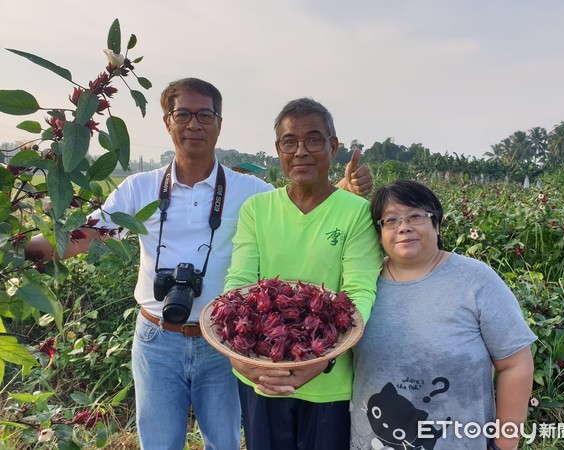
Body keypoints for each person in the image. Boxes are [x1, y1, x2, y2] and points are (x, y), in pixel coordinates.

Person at [25, 79, 374, 450]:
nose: (194, 125)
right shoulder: (138, 189)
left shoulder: (249, 192)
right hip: (156, 338)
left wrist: (346, 190)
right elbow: (86, 236)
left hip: (222, 341)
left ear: (219, 123)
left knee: (223, 442)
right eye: (183, 115)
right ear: (167, 122)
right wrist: (19, 250)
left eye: (205, 115)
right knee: (158, 443)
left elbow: (303, 199)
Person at [223, 97, 382, 450]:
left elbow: (359, 293)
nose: (301, 152)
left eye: (313, 140)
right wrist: (243, 360)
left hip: (330, 383)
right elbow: (240, 284)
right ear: (278, 149)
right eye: (289, 142)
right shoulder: (257, 209)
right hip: (261, 372)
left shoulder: (356, 213)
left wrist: (319, 362)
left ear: (333, 146)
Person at [350, 180, 536, 450]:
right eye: (390, 220)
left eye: (416, 216)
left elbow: (516, 365)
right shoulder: (363, 285)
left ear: (436, 224)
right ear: (379, 233)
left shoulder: (475, 280)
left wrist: (505, 443)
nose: (404, 227)